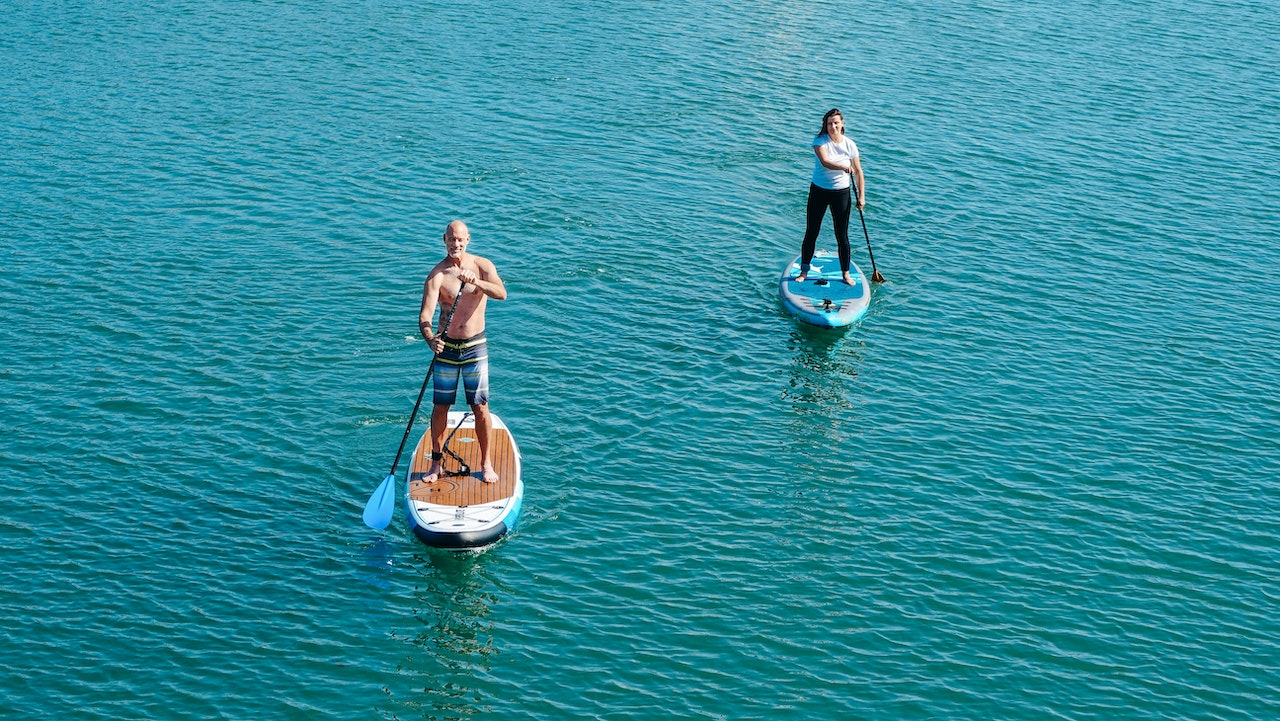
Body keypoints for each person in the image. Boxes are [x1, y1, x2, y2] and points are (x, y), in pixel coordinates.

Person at [418, 220, 507, 484]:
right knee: (440, 406)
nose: (455, 244)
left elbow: (502, 293)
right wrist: (430, 338)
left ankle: (486, 463)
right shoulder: (437, 275)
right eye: (451, 239)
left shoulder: (482, 266)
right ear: (444, 239)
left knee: (479, 406)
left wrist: (478, 283)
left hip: (474, 348)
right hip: (445, 348)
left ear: (467, 240)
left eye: (460, 240)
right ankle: (436, 463)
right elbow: (425, 315)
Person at [796, 108, 865, 285]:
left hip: (841, 193)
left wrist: (861, 196)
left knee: (842, 235)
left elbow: (858, 172)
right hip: (819, 191)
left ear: (842, 124)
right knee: (812, 231)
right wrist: (843, 167)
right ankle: (804, 271)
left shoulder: (850, 144)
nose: (833, 126)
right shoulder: (819, 141)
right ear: (825, 126)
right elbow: (825, 162)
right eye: (829, 123)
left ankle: (846, 274)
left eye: (836, 123)